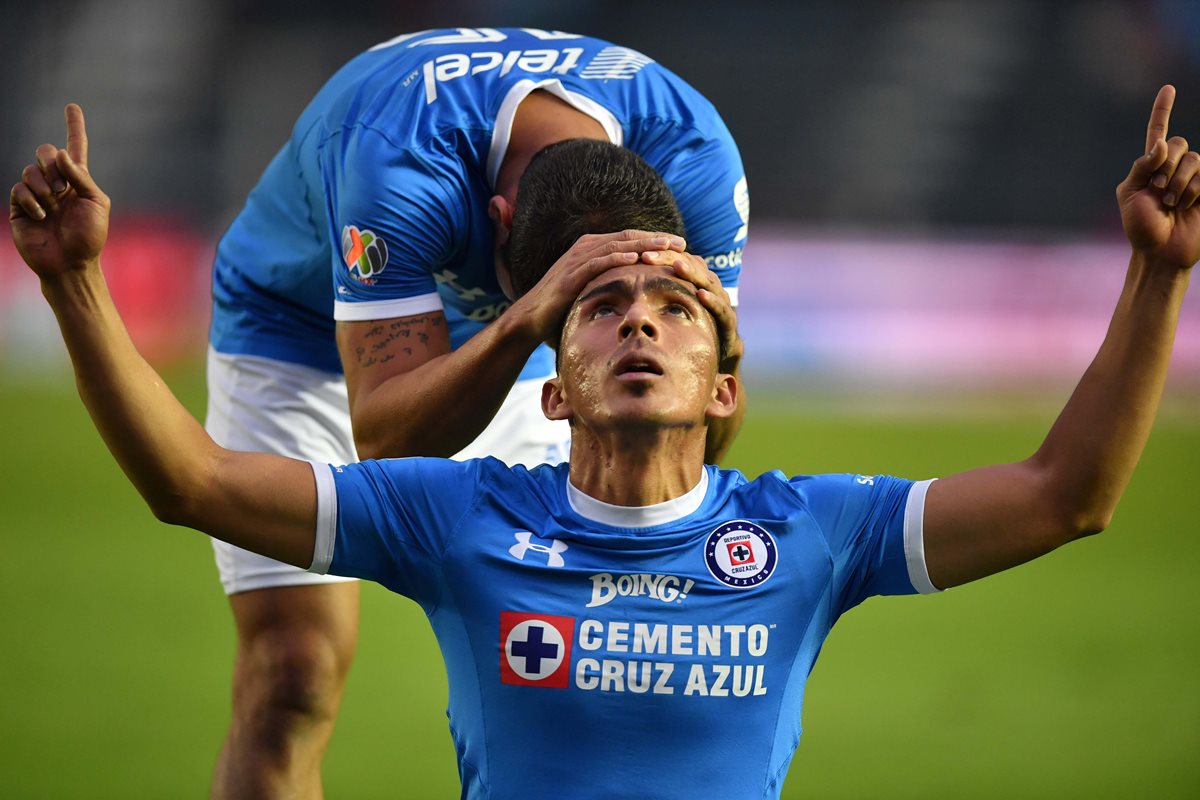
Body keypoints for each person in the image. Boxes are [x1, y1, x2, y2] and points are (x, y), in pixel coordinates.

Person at [12, 86, 1197, 798]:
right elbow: (192, 481)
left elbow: (1065, 494)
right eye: (602, 306)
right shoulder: (458, 515)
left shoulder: (810, 531)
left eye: (679, 309)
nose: (640, 313)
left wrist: (1155, 272)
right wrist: (76, 288)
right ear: (558, 391)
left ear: (724, 392)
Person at [18, 28, 749, 797]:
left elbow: (706, 411)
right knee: (292, 675)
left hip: (531, 351)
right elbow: (389, 441)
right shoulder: (398, 152)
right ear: (496, 220)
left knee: (584, 670)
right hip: (295, 333)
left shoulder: (695, 156)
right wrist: (522, 321)